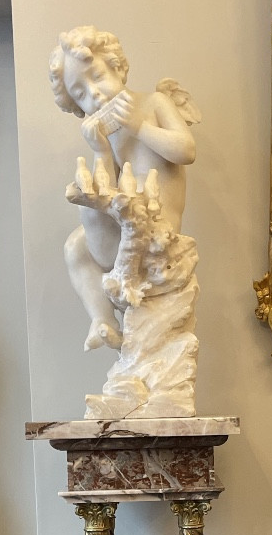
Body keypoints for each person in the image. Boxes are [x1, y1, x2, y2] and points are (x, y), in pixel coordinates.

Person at [49, 26, 199, 350]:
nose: (96, 95)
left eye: (98, 77)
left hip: (159, 228)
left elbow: (186, 150)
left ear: (116, 66)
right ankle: (103, 319)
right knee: (75, 246)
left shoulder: (154, 103)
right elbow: (108, 192)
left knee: (88, 223)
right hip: (127, 226)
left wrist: (140, 127)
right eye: (82, 95)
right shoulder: (109, 134)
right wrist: (101, 151)